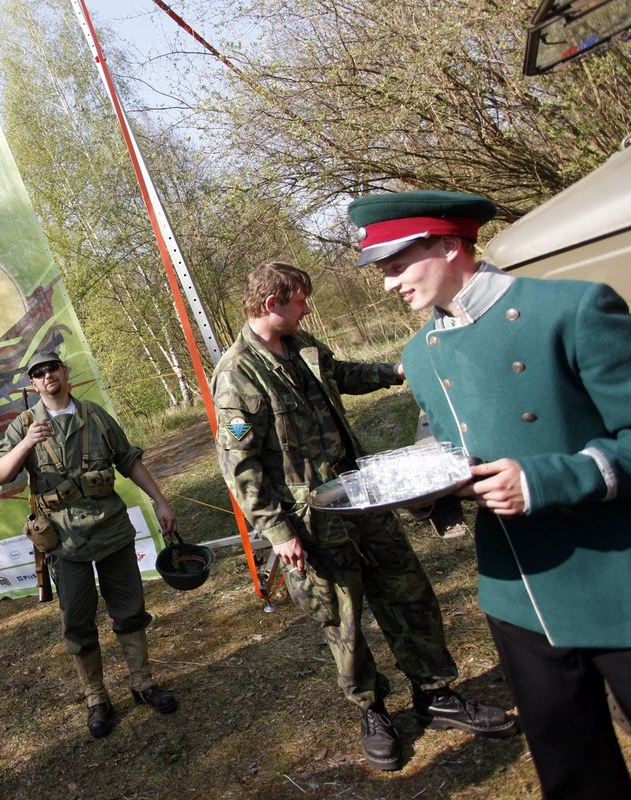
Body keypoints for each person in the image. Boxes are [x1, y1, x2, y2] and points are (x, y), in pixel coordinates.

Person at [351, 190, 631, 797]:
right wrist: (427, 491)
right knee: (575, 774)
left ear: (451, 244)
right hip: (517, 594)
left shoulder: (573, 308)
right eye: (382, 270)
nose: (388, 283)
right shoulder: (419, 358)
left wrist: (547, 480)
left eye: (398, 264)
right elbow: (452, 454)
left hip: (615, 576)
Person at [210, 262, 516, 771]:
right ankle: (373, 711)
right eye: (300, 300)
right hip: (310, 521)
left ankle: (436, 694)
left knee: (407, 590)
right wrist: (279, 531)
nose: (308, 307)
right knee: (342, 620)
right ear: (272, 305)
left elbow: (342, 375)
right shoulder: (238, 374)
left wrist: (397, 372)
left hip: (360, 497)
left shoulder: (301, 344)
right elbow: (238, 467)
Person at [0, 351, 180, 740]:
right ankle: (96, 699)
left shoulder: (93, 416)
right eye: (38, 373)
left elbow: (129, 460)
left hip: (110, 532)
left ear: (64, 372)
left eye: (51, 369)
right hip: (64, 542)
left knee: (129, 610)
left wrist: (161, 501)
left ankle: (142, 683)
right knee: (77, 623)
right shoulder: (25, 425)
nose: (47, 377)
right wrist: (26, 444)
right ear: (33, 384)